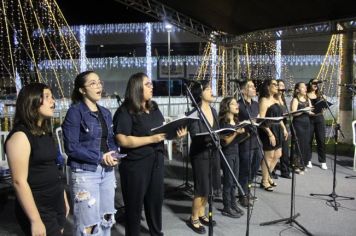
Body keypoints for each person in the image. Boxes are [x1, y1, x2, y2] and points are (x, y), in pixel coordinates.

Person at [114, 72, 186, 236]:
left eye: (151, 84)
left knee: (155, 202)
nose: (151, 86)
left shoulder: (154, 108)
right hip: (135, 165)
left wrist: (175, 134)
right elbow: (122, 140)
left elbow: (162, 133)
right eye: (147, 84)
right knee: (134, 207)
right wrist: (150, 139)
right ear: (137, 87)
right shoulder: (125, 110)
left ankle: (156, 232)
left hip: (156, 162)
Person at [5, 83, 69, 236]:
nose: (53, 101)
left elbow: (51, 167)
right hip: (39, 208)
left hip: (56, 203)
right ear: (32, 101)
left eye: (52, 97)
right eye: (47, 97)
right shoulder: (20, 136)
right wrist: (35, 219)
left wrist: (63, 198)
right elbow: (19, 182)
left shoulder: (44, 132)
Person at [62, 71, 118, 235]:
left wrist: (114, 155)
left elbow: (111, 140)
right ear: (82, 90)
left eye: (99, 82)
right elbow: (71, 147)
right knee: (88, 226)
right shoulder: (75, 112)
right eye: (93, 83)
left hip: (107, 172)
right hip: (85, 173)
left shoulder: (105, 112)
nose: (99, 85)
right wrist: (100, 157)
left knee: (106, 219)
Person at [186, 80, 219, 234]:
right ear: (200, 93)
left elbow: (218, 130)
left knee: (209, 185)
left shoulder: (213, 111)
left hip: (214, 152)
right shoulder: (194, 113)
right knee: (201, 186)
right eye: (208, 89)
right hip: (200, 153)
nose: (212, 91)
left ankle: (201, 213)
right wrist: (210, 137)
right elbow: (194, 135)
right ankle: (193, 218)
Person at [258, 79, 288, 192]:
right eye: (274, 85)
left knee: (278, 154)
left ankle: (268, 175)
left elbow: (279, 117)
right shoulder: (263, 100)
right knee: (269, 156)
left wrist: (284, 129)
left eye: (277, 84)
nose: (277, 86)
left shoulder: (275, 99)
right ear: (268, 87)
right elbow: (261, 119)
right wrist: (270, 134)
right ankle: (264, 180)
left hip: (278, 128)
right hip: (268, 129)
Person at [218, 97, 245, 218]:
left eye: (236, 103)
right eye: (233, 104)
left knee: (234, 181)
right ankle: (226, 207)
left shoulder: (236, 120)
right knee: (228, 181)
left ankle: (233, 204)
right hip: (227, 154)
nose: (237, 105)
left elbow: (238, 140)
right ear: (227, 107)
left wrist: (246, 133)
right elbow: (225, 142)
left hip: (236, 152)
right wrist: (235, 133)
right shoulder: (223, 122)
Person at [237, 80, 262, 206]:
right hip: (245, 141)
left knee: (254, 167)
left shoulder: (256, 104)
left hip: (256, 140)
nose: (254, 88)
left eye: (253, 86)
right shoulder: (238, 105)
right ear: (243, 90)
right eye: (250, 87)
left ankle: (247, 189)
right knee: (245, 169)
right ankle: (242, 194)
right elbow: (234, 123)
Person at [290, 82, 313, 173]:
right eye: (303, 87)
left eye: (305, 87)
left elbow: (310, 111)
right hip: (298, 124)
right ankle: (295, 165)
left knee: (305, 144)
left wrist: (316, 111)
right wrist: (303, 110)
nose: (305, 89)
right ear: (297, 90)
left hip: (307, 123)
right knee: (298, 145)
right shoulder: (295, 99)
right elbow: (294, 113)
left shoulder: (307, 99)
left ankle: (302, 164)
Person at [307, 79, 328, 170]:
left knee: (321, 139)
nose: (316, 85)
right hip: (310, 118)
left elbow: (324, 107)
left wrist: (325, 101)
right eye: (314, 83)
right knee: (309, 140)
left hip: (319, 118)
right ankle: (308, 160)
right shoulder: (306, 94)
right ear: (310, 84)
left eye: (317, 83)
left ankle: (323, 161)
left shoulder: (320, 94)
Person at [276, 80, 291, 179]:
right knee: (276, 150)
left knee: (285, 150)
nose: (282, 87)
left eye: (283, 85)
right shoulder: (273, 98)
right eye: (280, 85)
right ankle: (271, 171)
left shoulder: (283, 99)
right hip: (276, 125)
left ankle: (285, 171)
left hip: (285, 125)